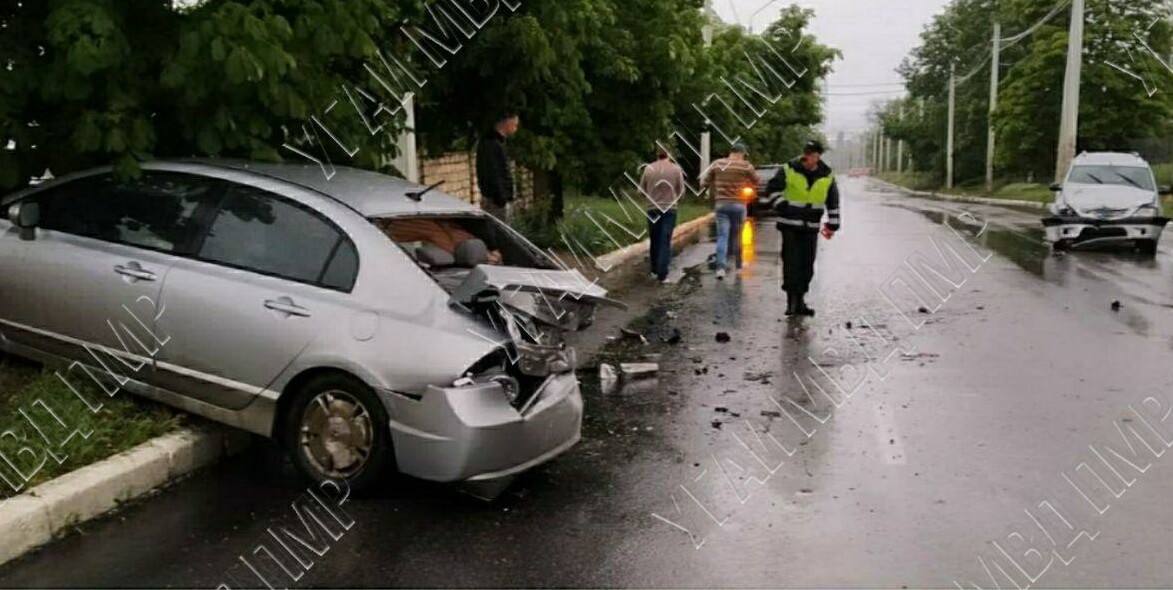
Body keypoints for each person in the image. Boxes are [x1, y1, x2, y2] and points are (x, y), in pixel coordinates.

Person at [765, 139, 841, 317]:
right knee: (792, 264)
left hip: (810, 227)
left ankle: (801, 301)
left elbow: (833, 200)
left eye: (811, 154)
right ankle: (791, 302)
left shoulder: (827, 174)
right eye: (806, 153)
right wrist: (782, 206)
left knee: (807, 266)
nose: (807, 157)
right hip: (790, 226)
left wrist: (833, 223)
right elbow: (772, 190)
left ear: (817, 156)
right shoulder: (788, 169)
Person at [701, 142, 758, 280]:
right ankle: (738, 266)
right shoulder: (746, 165)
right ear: (741, 152)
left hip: (721, 205)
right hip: (739, 205)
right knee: (737, 235)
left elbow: (704, 182)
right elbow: (755, 180)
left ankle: (720, 268)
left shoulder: (717, 164)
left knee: (722, 236)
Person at [639, 146, 686, 283]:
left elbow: (640, 191)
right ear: (669, 154)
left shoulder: (648, 169)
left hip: (652, 208)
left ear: (657, 155)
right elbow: (682, 193)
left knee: (654, 239)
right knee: (665, 240)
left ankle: (654, 270)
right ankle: (662, 273)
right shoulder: (676, 169)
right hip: (670, 210)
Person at [476, 111, 519, 221]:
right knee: (498, 233)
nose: (516, 129)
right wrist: (501, 199)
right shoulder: (491, 144)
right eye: (515, 125)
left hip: (500, 199)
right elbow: (493, 172)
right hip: (496, 201)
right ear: (507, 123)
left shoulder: (497, 143)